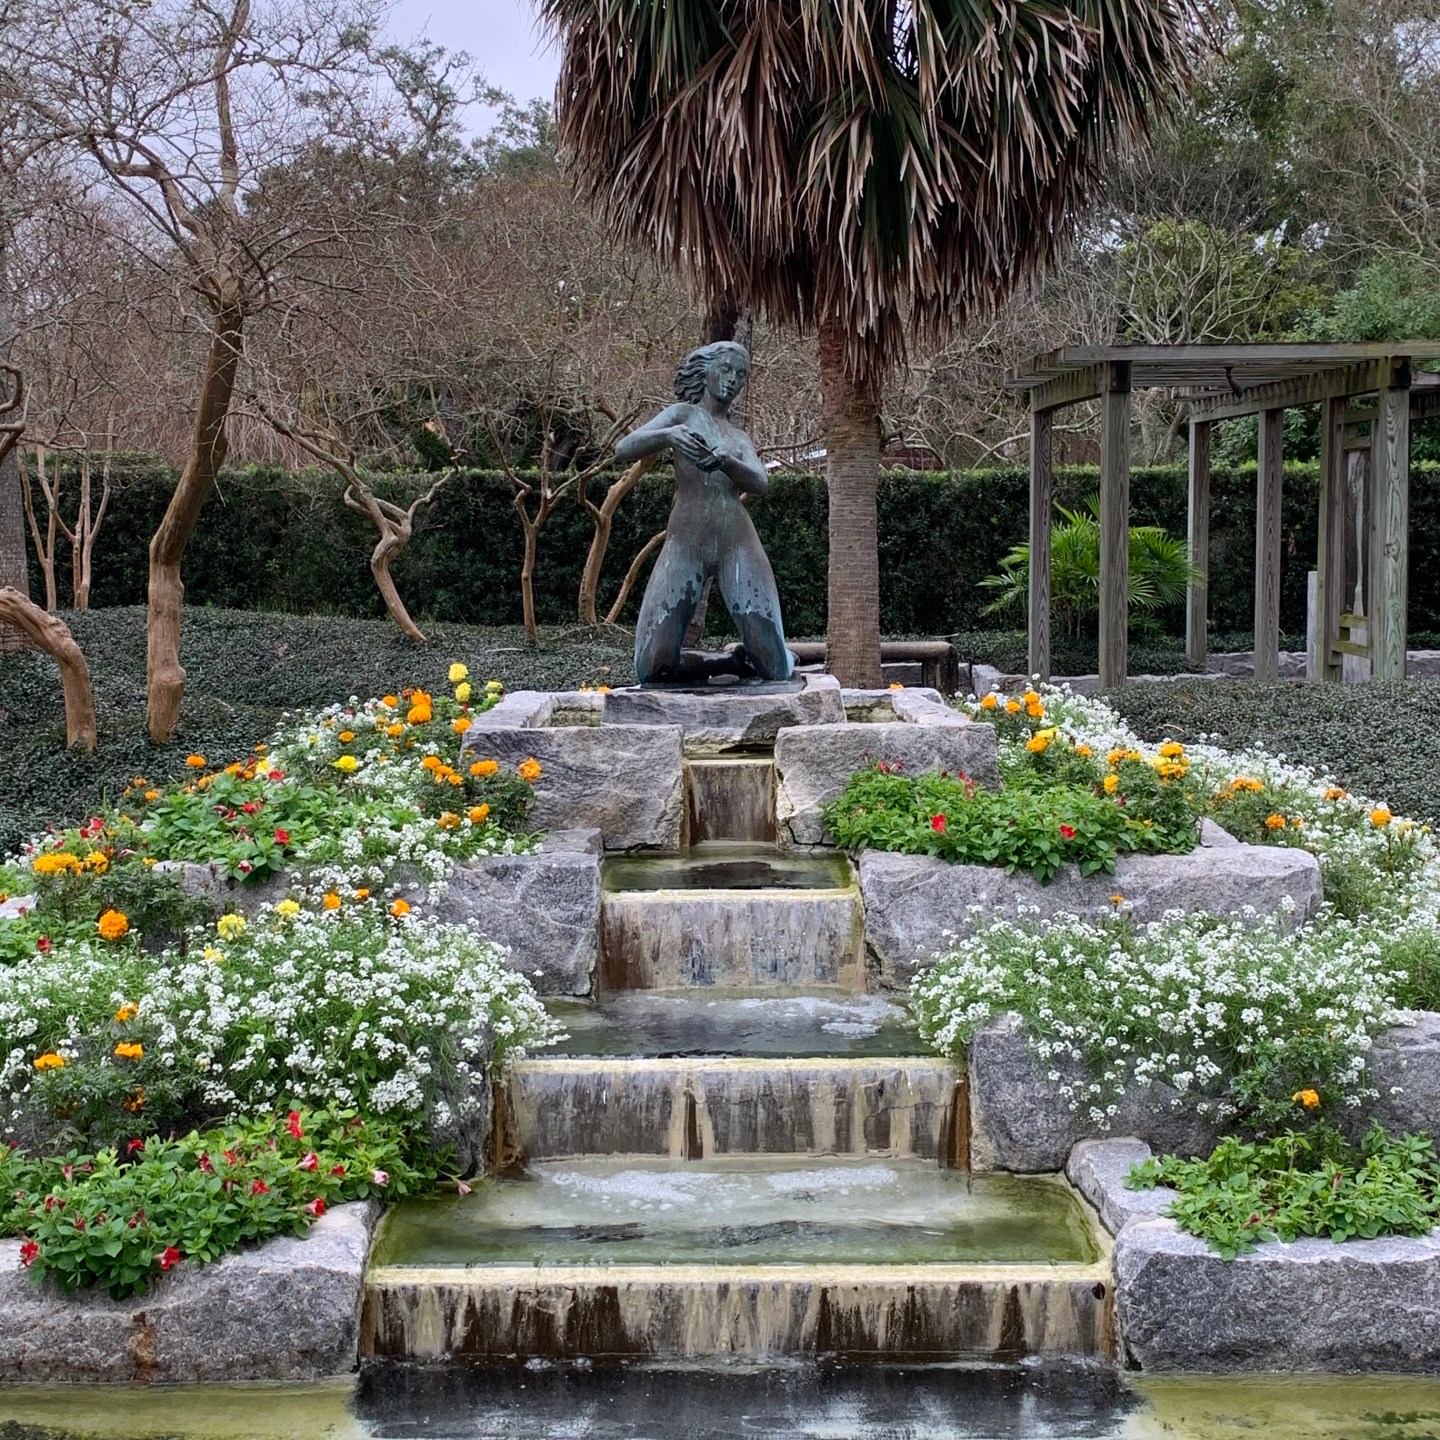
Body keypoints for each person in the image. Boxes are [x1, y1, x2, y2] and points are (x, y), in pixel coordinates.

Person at [615, 341, 794, 685]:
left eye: (740, 375)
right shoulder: (682, 415)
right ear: (706, 370)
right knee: (651, 667)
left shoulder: (738, 436)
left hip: (737, 544)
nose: (732, 380)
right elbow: (624, 448)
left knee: (776, 668)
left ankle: (781, 653)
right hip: (685, 544)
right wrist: (668, 435)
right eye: (726, 369)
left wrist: (727, 461)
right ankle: (728, 662)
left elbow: (760, 482)